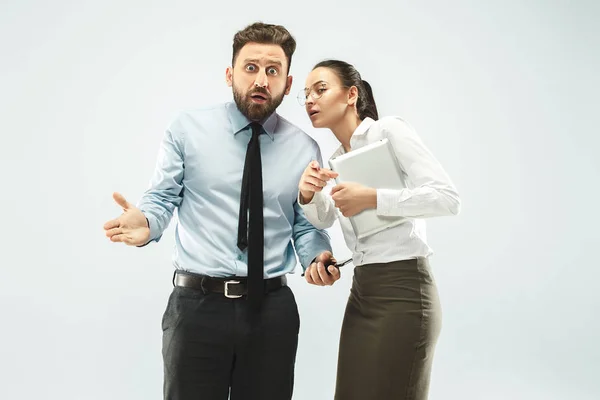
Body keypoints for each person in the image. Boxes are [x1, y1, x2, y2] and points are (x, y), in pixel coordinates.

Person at [103, 22, 339, 400]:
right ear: (230, 74)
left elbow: (305, 224)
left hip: (272, 310)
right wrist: (146, 223)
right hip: (196, 307)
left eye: (272, 70)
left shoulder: (304, 148)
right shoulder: (187, 129)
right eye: (251, 68)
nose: (261, 79)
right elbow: (162, 198)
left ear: (288, 84)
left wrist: (317, 256)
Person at [297, 59, 461, 400]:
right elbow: (327, 217)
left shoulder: (388, 131)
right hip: (363, 293)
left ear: (351, 94)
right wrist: (308, 194)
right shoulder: (335, 159)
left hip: (404, 291)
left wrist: (372, 198)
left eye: (321, 89)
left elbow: (446, 198)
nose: (311, 99)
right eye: (306, 94)